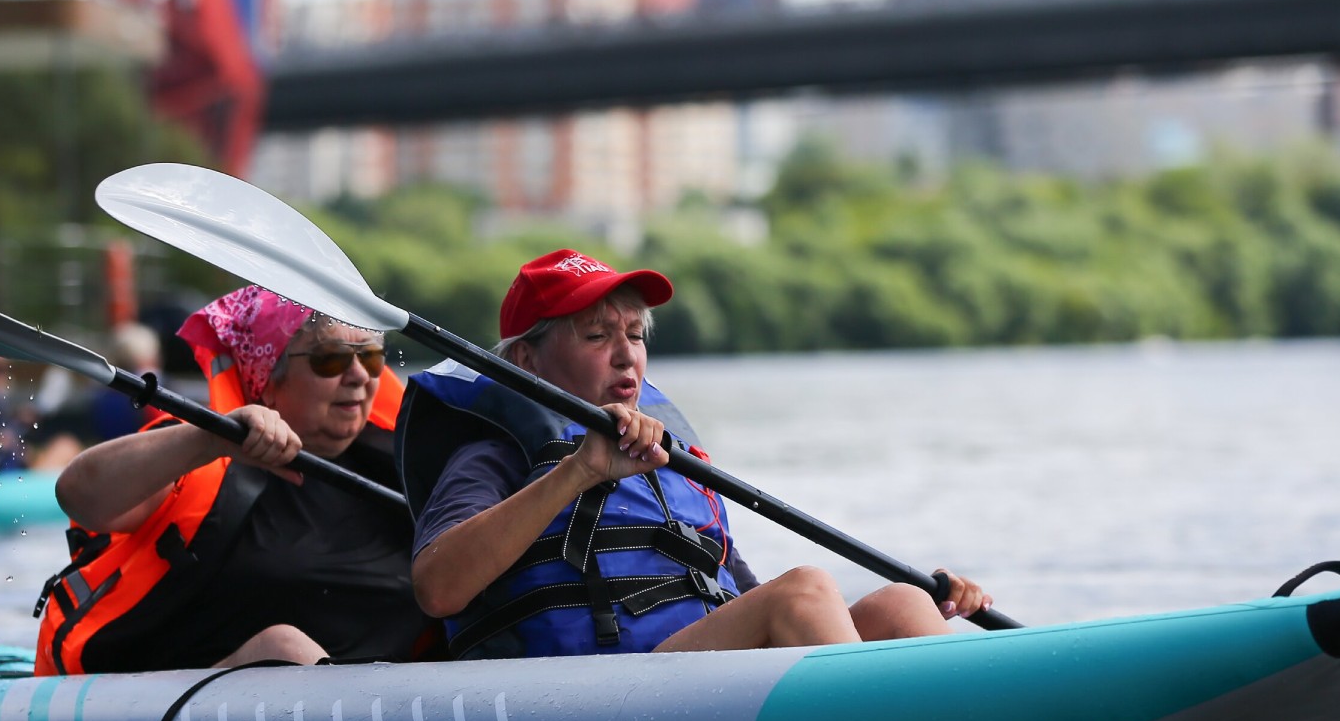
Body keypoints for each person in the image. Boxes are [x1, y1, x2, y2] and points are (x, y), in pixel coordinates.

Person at [398, 249, 991, 660]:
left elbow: (739, 590)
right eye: (597, 336)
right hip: (603, 690)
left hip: (702, 671)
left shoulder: (667, 458)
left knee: (902, 603)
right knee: (804, 590)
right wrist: (579, 470)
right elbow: (438, 590)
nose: (626, 355)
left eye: (634, 334)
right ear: (527, 361)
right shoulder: (491, 454)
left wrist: (931, 608)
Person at [36, 285, 437, 676]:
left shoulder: (404, 463)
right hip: (192, 708)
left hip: (385, 708)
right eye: (329, 359)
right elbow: (77, 494)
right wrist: (209, 438)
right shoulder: (201, 453)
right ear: (270, 381)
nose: (357, 376)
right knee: (283, 648)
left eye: (369, 358)